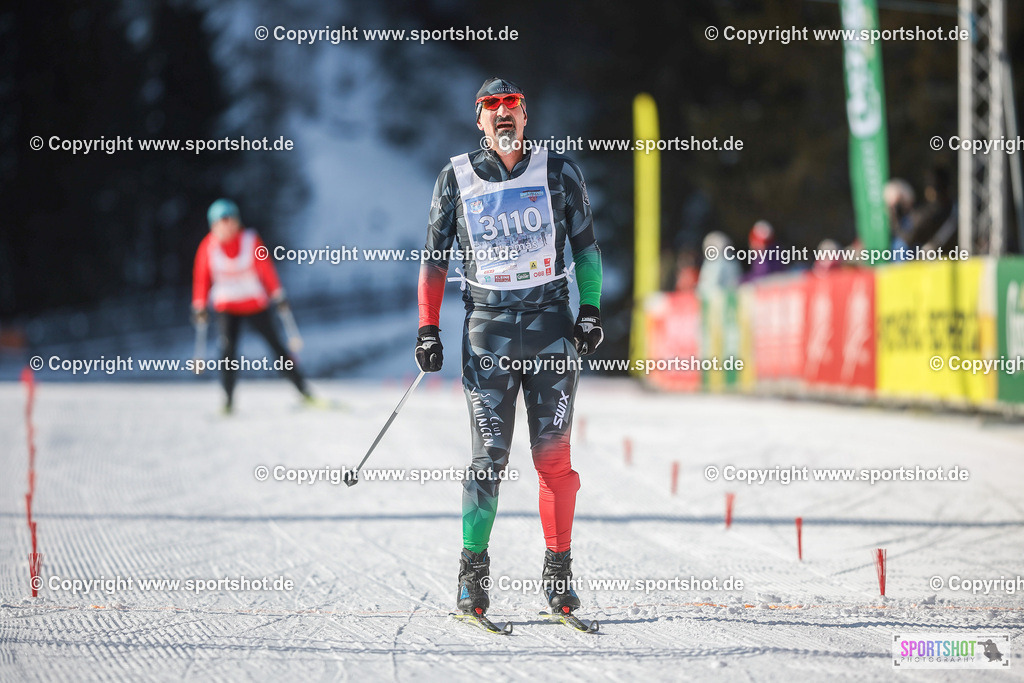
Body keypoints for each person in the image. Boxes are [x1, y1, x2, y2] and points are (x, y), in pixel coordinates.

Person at [415, 77, 603, 619]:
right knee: (488, 461)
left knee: (555, 461)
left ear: (525, 115)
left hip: (550, 331)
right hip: (488, 334)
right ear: (479, 120)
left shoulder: (559, 171)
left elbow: (586, 249)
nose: (502, 112)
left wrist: (590, 310)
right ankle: (471, 576)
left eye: (511, 104)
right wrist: (428, 328)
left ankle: (559, 576)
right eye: (491, 106)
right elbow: (433, 259)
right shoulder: (455, 177)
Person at [191, 199, 314, 413]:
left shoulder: (250, 240)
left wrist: (278, 295)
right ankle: (228, 401)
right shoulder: (207, 247)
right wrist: (199, 305)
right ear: (214, 225)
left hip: (255, 303)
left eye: (231, 221)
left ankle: (304, 391)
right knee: (227, 353)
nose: (227, 226)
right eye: (222, 222)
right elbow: (202, 278)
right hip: (227, 306)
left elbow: (266, 269)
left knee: (277, 348)